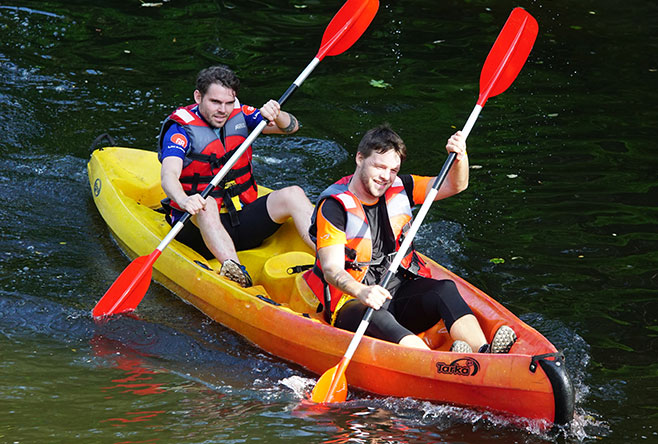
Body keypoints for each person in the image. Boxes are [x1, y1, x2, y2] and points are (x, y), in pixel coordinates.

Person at [303, 124, 516, 353]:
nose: (386, 177)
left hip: (397, 293)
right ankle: (436, 365)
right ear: (359, 158)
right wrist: (362, 292)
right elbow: (332, 270)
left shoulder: (402, 186)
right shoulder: (335, 206)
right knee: (375, 314)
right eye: (379, 166)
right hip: (354, 305)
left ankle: (484, 355)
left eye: (393, 170)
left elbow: (456, 185)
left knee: (444, 289)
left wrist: (460, 157)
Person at [158, 65, 314, 287]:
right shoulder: (180, 130)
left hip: (240, 219)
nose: (223, 109)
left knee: (293, 194)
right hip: (197, 229)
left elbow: (292, 127)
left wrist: (277, 115)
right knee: (207, 204)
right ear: (198, 96)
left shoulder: (241, 116)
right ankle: (234, 271)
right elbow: (169, 176)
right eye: (215, 102)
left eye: (229, 102)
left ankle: (333, 258)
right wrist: (185, 200)